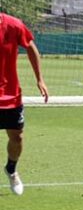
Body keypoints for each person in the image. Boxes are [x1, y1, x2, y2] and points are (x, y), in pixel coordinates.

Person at [0, 12, 49, 195]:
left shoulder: (13, 25)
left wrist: (40, 80)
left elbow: (31, 48)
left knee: (17, 137)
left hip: (10, 95)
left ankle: (11, 169)